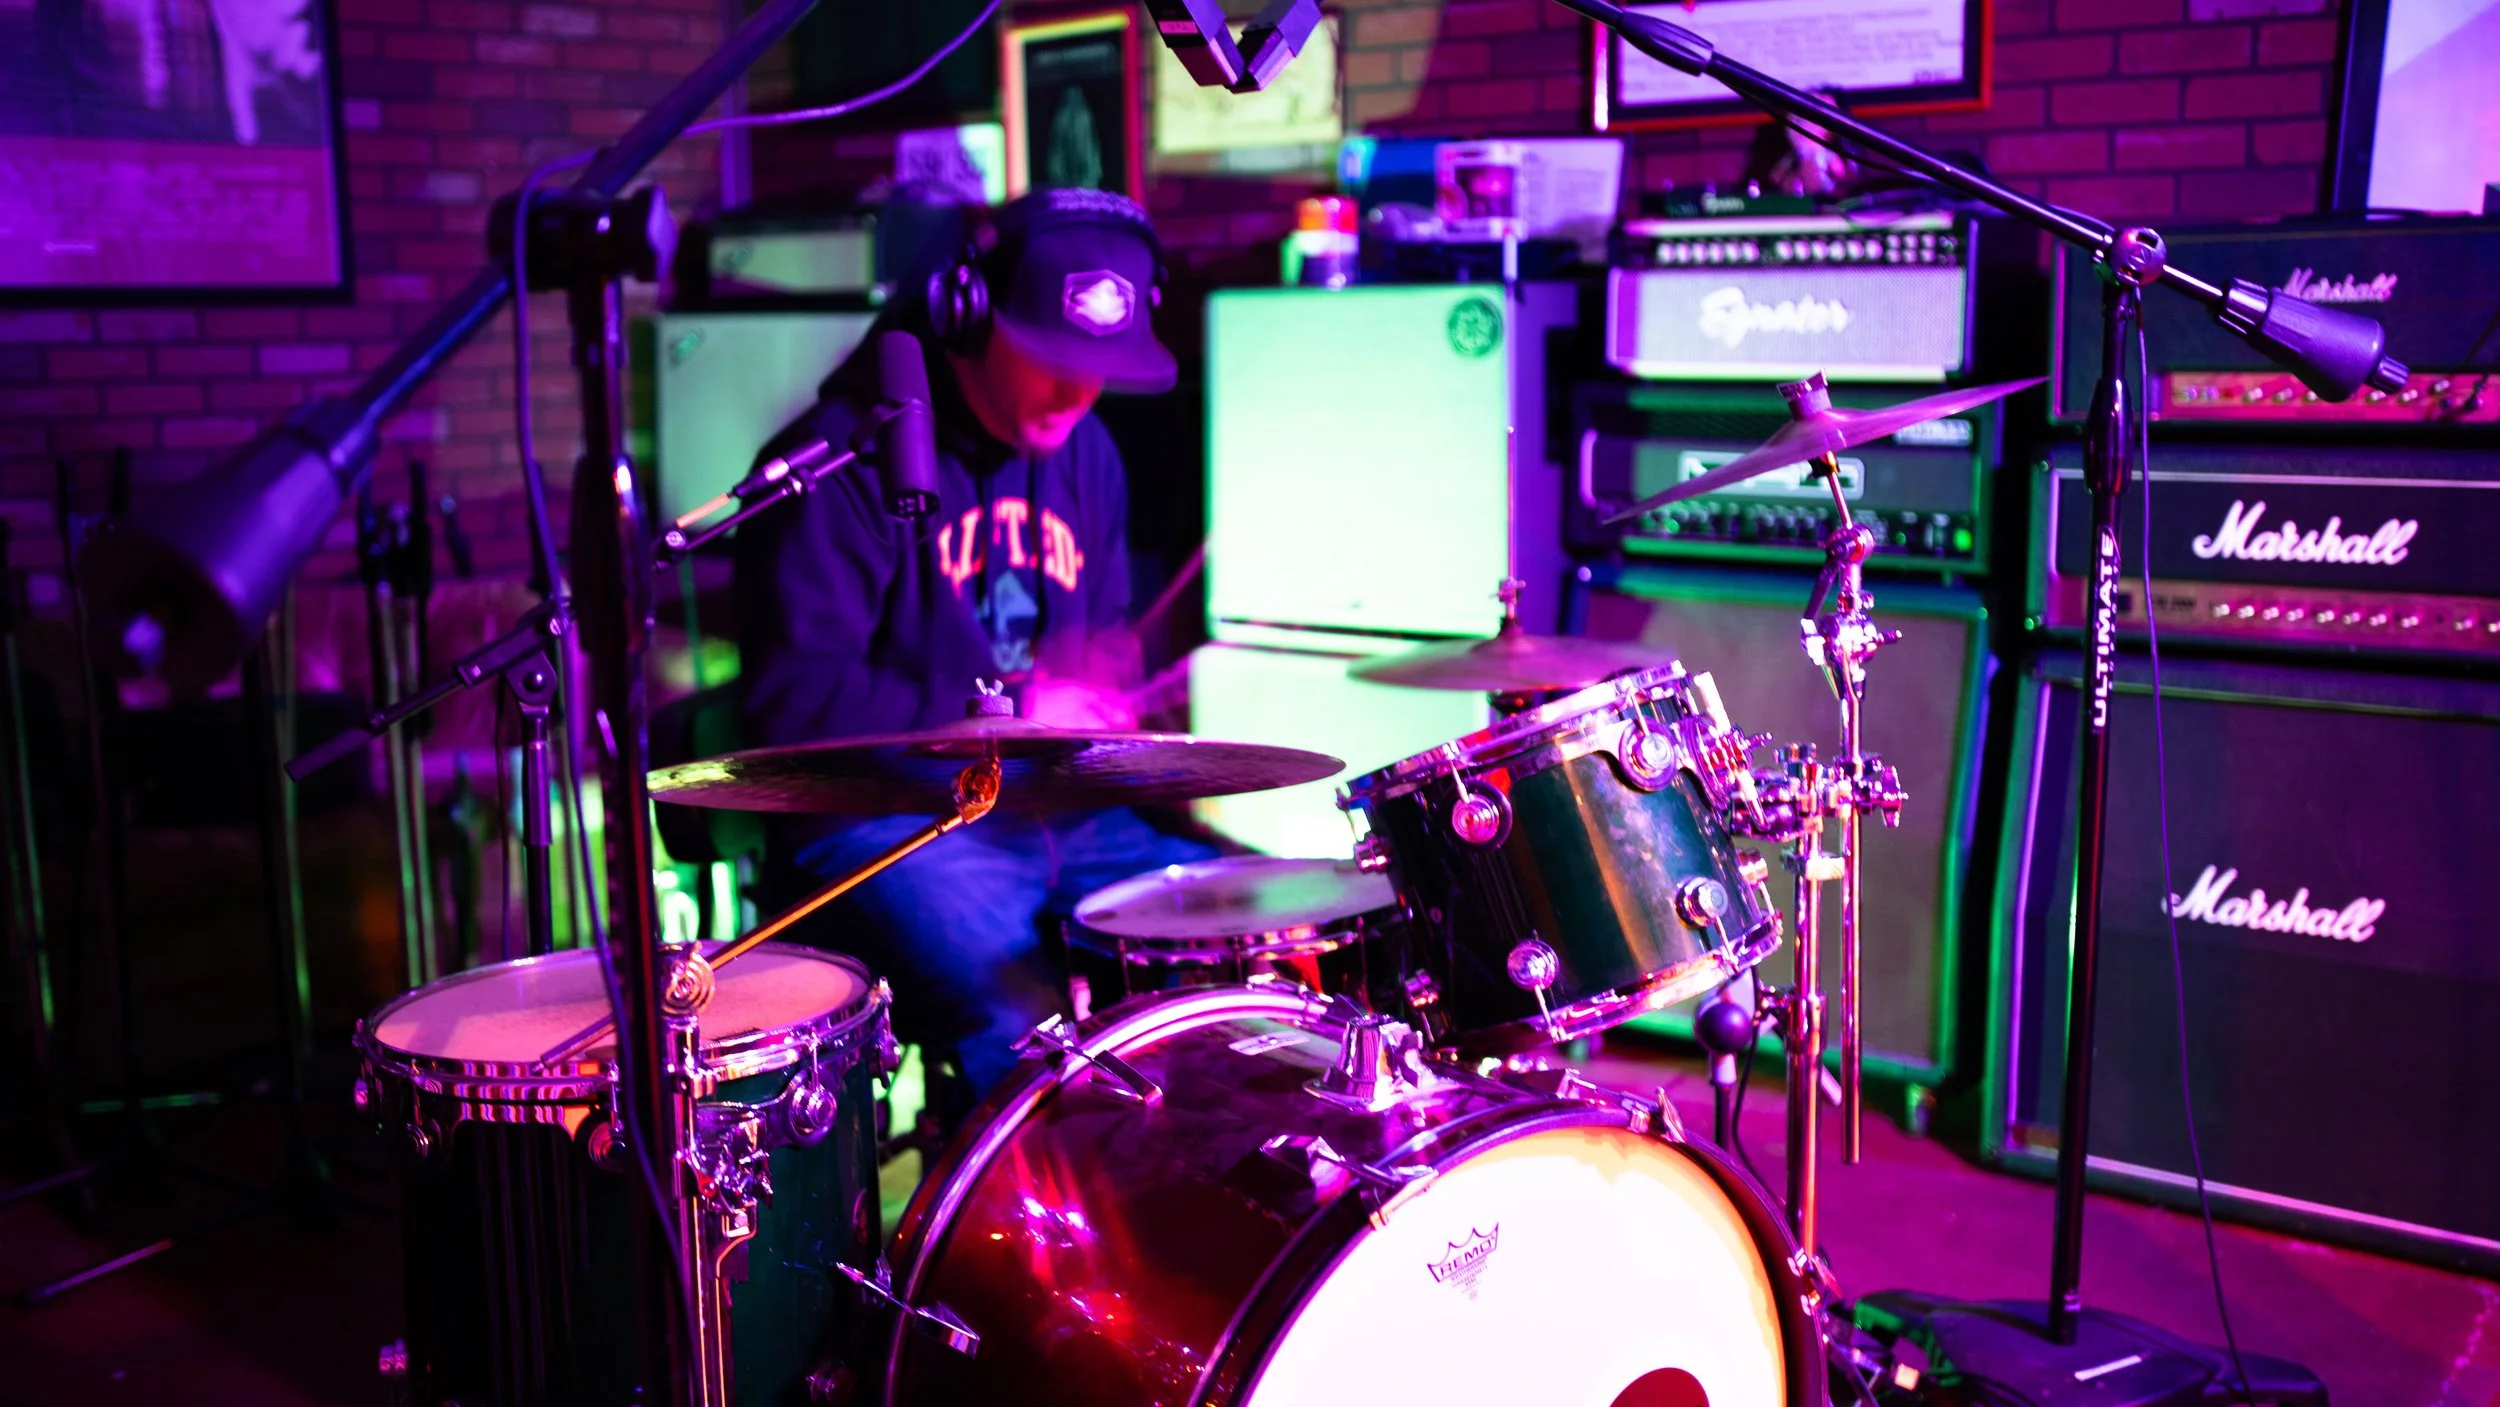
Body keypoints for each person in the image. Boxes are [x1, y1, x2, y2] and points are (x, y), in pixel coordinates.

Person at [734, 187, 1216, 1118]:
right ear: (969, 312)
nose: (1078, 389)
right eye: (1050, 356)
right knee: (1017, 1003)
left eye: (1099, 365)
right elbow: (793, 702)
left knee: (1207, 943)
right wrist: (1009, 706)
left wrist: (1107, 697)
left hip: (1046, 813)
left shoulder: (1090, 455)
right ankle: (1034, 1239)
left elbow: (1087, 653)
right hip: (887, 822)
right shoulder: (840, 462)